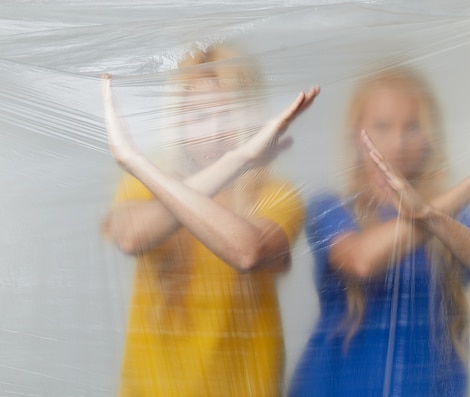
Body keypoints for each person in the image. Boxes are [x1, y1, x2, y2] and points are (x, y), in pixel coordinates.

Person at [288, 67, 470, 397]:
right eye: (382, 126)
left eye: (413, 126)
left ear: (429, 136)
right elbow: (360, 259)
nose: (398, 141)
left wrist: (434, 213)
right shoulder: (331, 207)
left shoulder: (460, 218)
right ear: (356, 134)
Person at [101, 44, 319, 397]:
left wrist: (135, 160)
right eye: (199, 116)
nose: (216, 130)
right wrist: (238, 159)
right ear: (178, 120)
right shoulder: (141, 186)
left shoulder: (277, 193)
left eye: (228, 113)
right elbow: (131, 237)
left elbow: (247, 252)